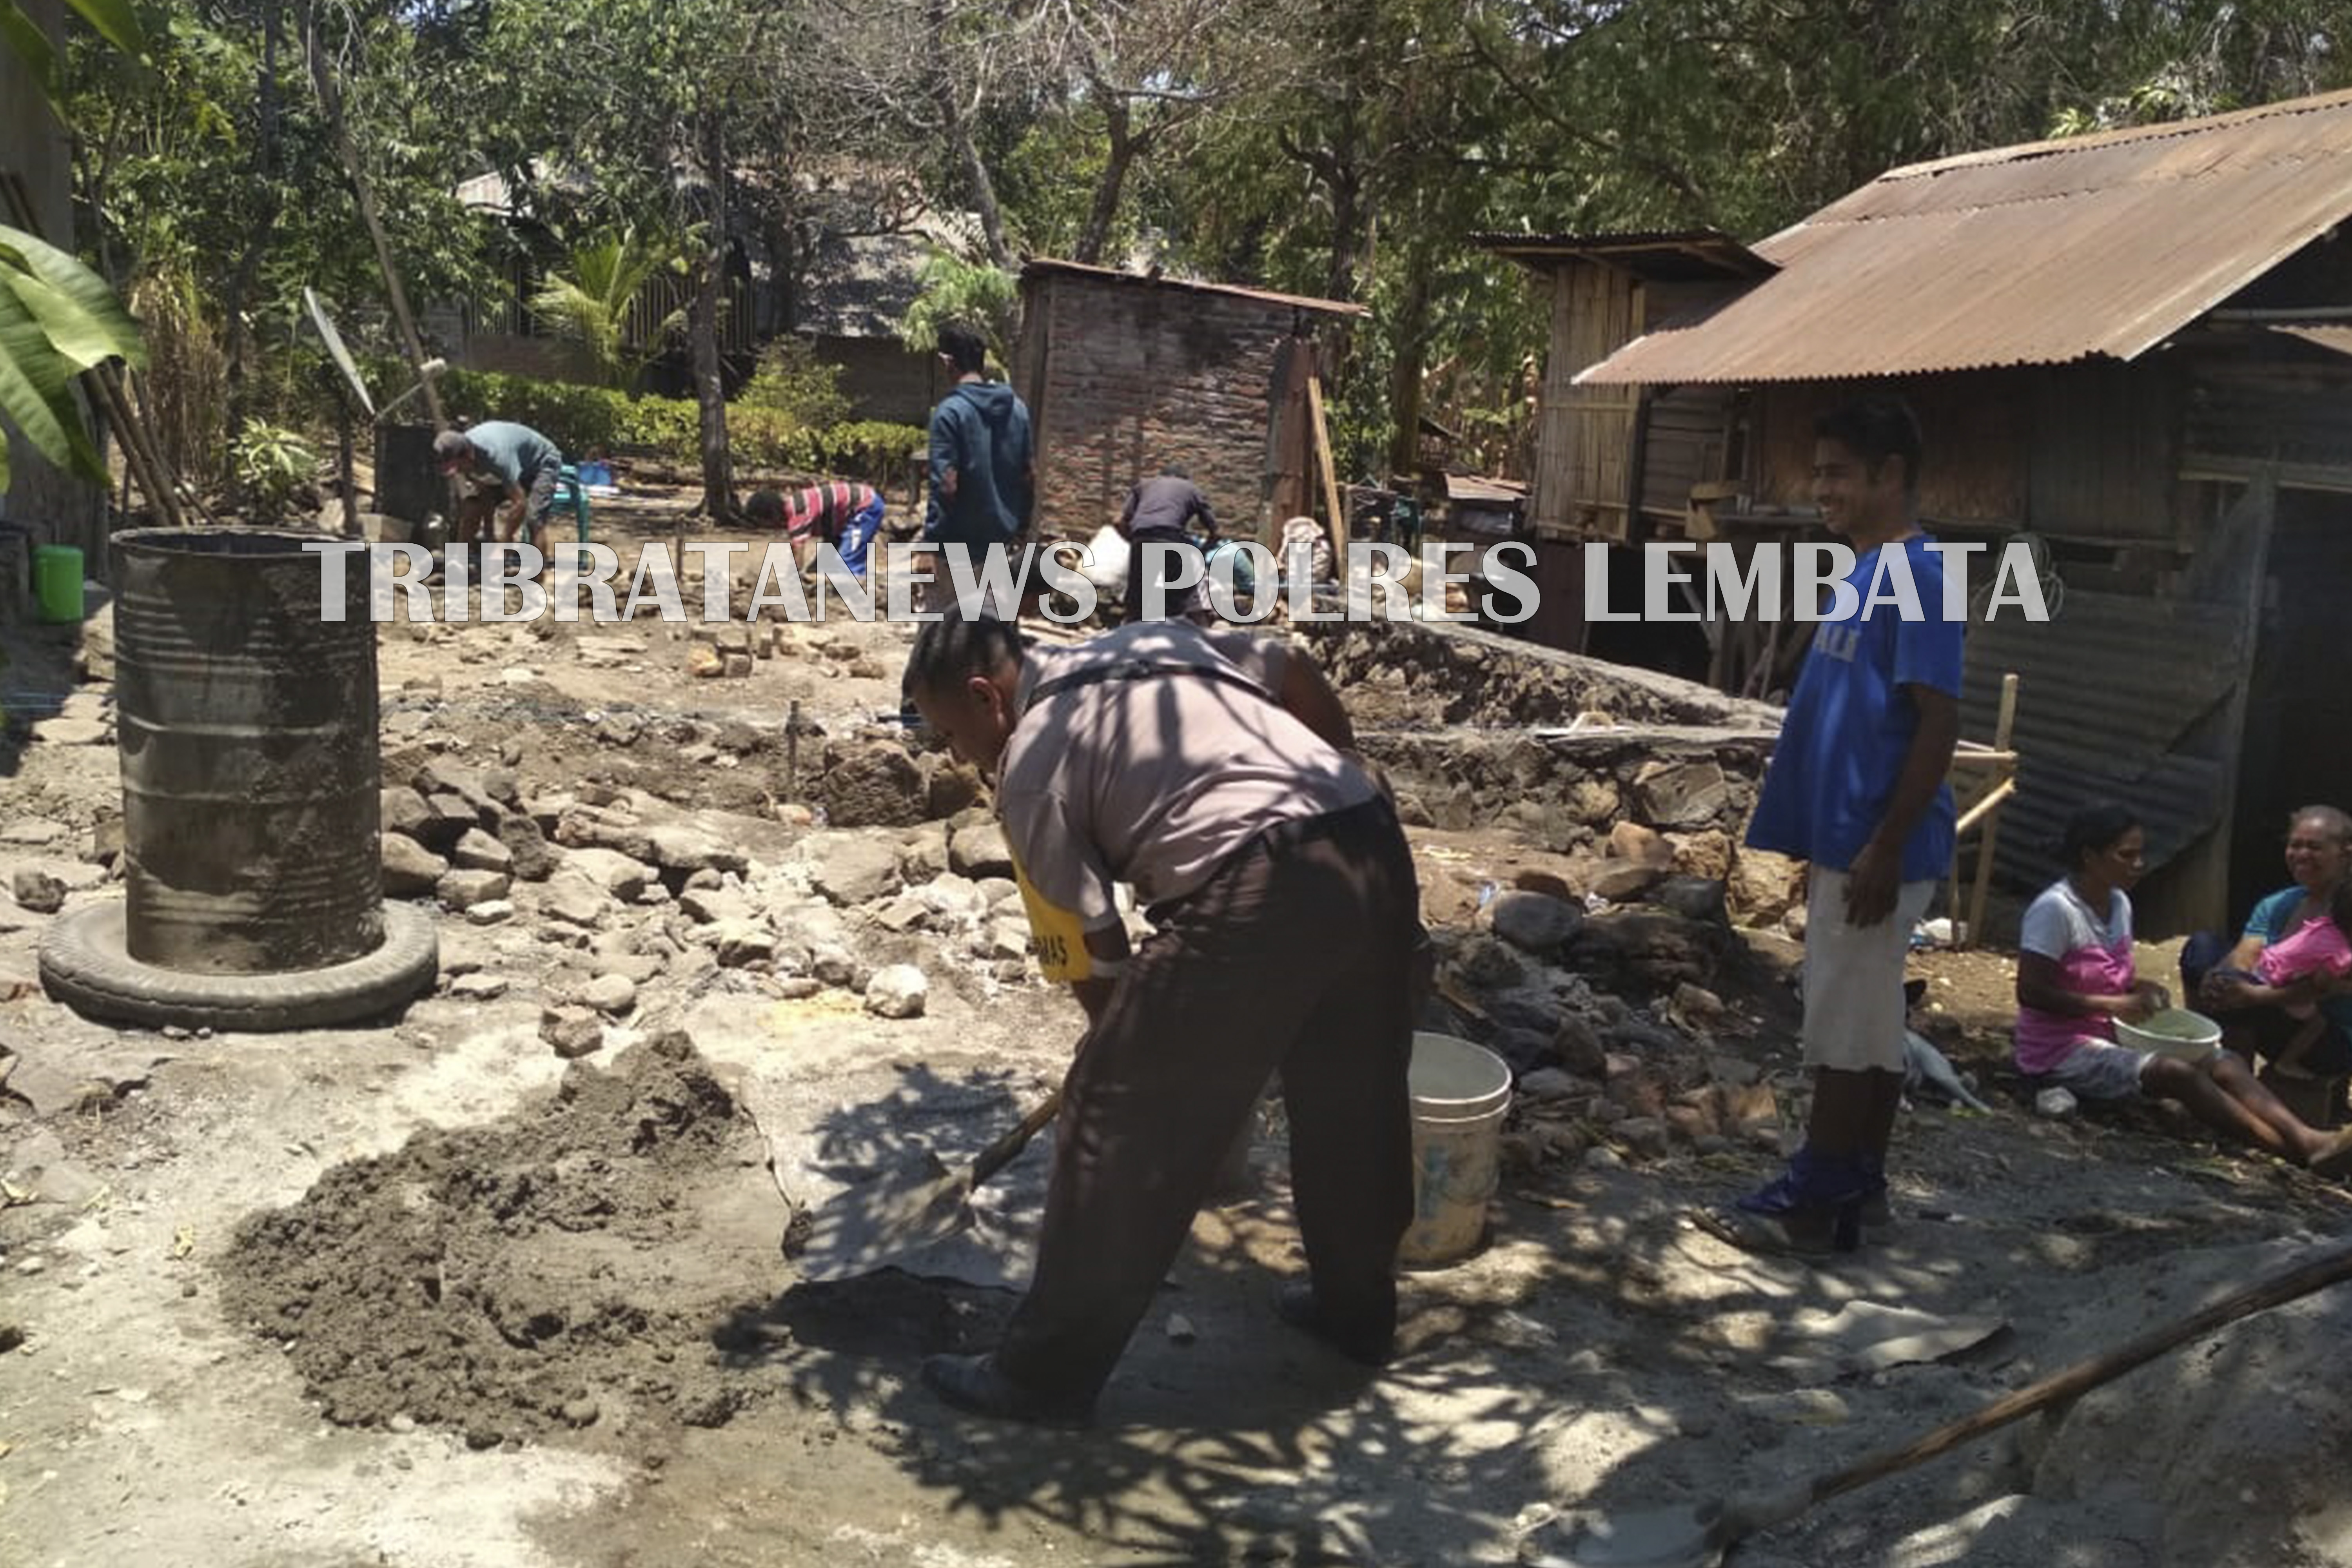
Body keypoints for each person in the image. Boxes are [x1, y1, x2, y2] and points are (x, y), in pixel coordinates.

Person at [902, 611, 1420, 1424]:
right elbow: (1291, 668)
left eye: (950, 732)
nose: (956, 756)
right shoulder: (1148, 640)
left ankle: (1039, 1376)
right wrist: (1343, 762)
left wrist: (1126, 1062)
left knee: (1116, 1117)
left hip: (1261, 877)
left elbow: (1098, 953)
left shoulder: (1031, 764)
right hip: (1367, 840)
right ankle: (1356, 1311)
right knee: (1353, 1096)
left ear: (985, 696)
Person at [1712, 397, 1962, 1258]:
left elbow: (1939, 720)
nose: (1822, 488)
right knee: (1869, 1023)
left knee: (1843, 1031)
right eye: (1818, 471)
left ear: (1891, 475)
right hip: (1849, 837)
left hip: (1874, 844)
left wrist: (1885, 844)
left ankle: (1816, 1198)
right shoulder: (1865, 571)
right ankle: (1861, 1185)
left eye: (1839, 473)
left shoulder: (1922, 575)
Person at [2013, 803, 2352, 1170]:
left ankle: (2306, 1138)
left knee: (2225, 1061)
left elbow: (2112, 976)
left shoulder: (2119, 903)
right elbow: (2031, 992)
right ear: (2090, 857)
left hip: (2113, 1033)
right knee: (2177, 1072)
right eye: (2127, 855)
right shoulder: (2055, 911)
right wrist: (2114, 1005)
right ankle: (2295, 1151)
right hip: (2060, 1052)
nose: (2140, 864)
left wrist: (2141, 988)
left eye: (2141, 854)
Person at [2183, 806, 2352, 1084]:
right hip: (2277, 1013)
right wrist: (2220, 978)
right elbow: (2245, 956)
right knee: (2203, 949)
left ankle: (2236, 1086)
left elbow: (2328, 985)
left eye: (2315, 847)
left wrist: (2254, 995)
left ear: (2346, 853)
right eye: (2295, 845)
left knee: (2242, 994)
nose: (2302, 855)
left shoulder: (2348, 911)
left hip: (2326, 1038)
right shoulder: (2280, 904)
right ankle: (2206, 1057)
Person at [921, 324, 1034, 600]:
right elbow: (1029, 475)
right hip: (999, 545)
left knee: (945, 636)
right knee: (991, 634)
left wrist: (930, 545)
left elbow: (947, 485)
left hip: (956, 549)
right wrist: (1021, 528)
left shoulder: (950, 413)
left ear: (948, 361)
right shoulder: (1017, 410)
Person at [434, 421, 563, 570]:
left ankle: (537, 578)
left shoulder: (497, 456)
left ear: (467, 456)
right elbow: (485, 495)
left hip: (541, 462)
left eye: (459, 467)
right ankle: (459, 561)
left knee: (534, 519)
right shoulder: (464, 459)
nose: (459, 472)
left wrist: (503, 542)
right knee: (472, 507)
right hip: (516, 466)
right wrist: (490, 536)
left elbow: (520, 503)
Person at [1116, 466, 1218, 622]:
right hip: (1172, 540)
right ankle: (1178, 634)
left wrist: (1136, 541)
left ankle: (1130, 639)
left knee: (1139, 601)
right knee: (1175, 601)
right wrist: (1203, 551)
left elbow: (1118, 522)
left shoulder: (1144, 485)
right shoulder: (1191, 489)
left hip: (1141, 540)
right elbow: (1215, 532)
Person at [746, 479, 887, 580]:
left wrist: (794, 576)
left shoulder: (797, 511)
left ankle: (861, 595)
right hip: (839, 525)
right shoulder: (797, 504)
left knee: (846, 564)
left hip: (865, 507)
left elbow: (798, 548)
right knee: (820, 568)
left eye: (766, 523)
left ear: (773, 514)